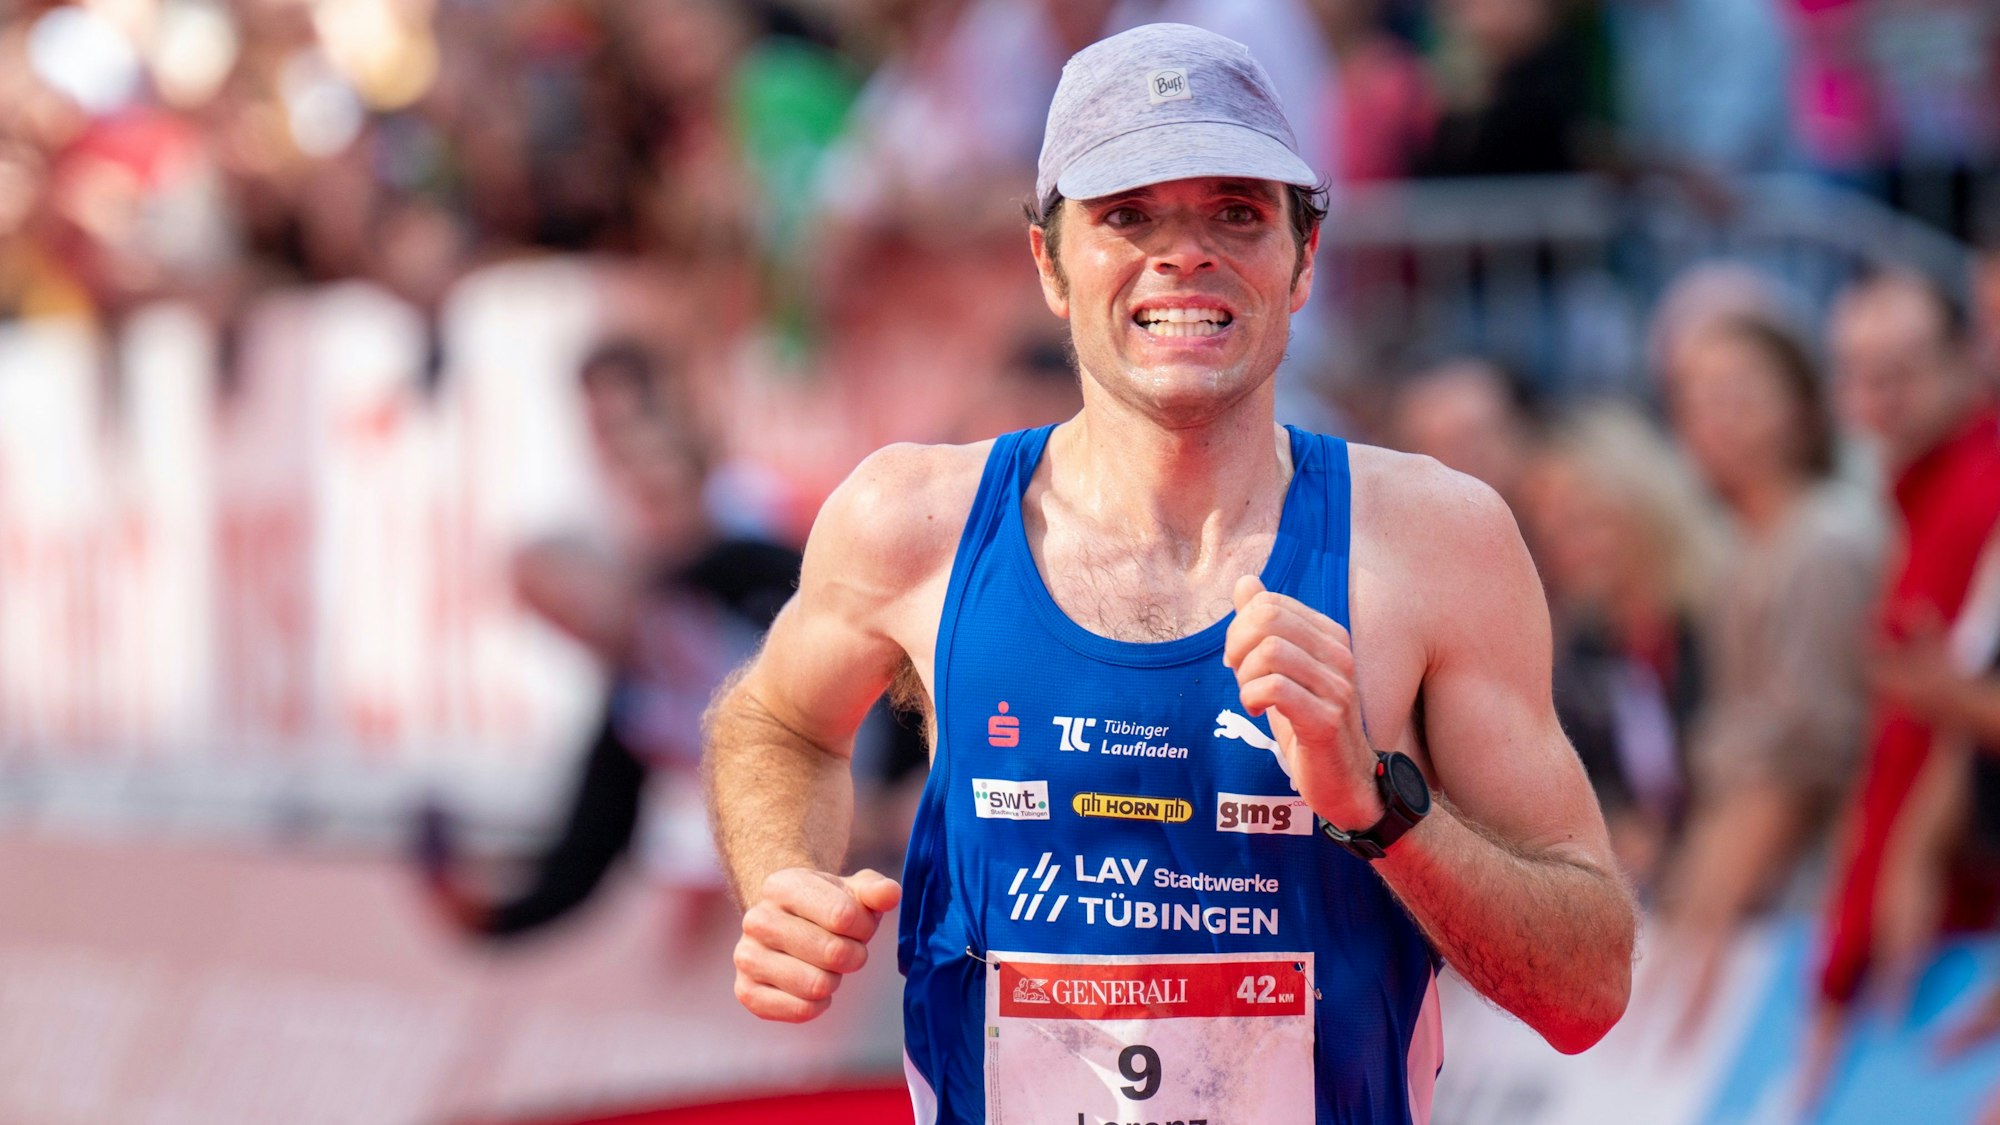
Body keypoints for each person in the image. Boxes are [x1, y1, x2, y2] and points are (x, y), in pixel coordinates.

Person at [704, 24, 1635, 1125]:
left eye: (1234, 214)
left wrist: (1378, 810)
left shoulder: (1433, 543)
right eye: (1127, 215)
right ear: (1047, 262)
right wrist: (781, 883)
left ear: (1302, 258)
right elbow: (776, 721)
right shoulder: (913, 522)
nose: (1183, 253)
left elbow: (1586, 988)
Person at [1652, 314, 1884, 1042]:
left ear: (1802, 402)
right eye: (1696, 397)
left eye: (1740, 392)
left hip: (1816, 894)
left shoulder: (1825, 540)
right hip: (1759, 885)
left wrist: (1702, 932)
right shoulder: (1738, 552)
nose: (1716, 418)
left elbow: (1796, 766)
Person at [1805, 269, 2000, 1107]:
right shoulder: (1931, 493)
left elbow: (1920, 743)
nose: (1875, 398)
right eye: (1854, 372)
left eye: (1900, 370)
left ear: (1966, 357)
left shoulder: (1969, 494)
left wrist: (1841, 969)